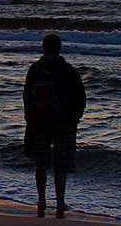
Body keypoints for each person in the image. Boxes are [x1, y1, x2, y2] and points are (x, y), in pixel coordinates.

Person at [23, 33, 86, 219]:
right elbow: (80, 97)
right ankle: (59, 202)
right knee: (61, 164)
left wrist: (29, 120)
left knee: (41, 164)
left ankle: (41, 200)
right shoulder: (69, 70)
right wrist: (75, 118)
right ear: (60, 47)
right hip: (63, 122)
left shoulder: (35, 69)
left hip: (39, 121)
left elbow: (27, 96)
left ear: (43, 48)